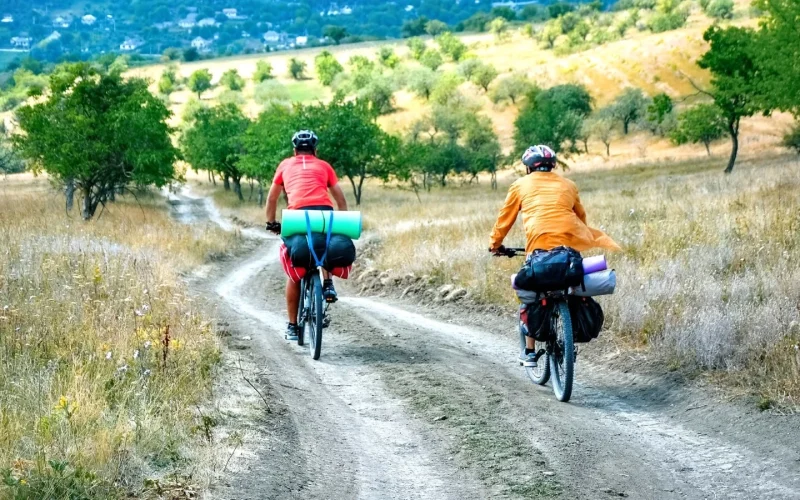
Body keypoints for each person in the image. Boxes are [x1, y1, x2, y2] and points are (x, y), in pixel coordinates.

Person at [488, 145, 621, 367]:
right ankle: (570, 328)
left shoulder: (519, 185)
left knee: (530, 294)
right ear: (554, 165)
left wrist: (495, 245)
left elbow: (504, 220)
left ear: (529, 168)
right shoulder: (569, 185)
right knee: (572, 286)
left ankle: (529, 352)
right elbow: (581, 218)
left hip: (538, 253)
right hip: (568, 254)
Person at [265, 130, 348, 341]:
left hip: (297, 217)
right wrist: (342, 222)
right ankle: (328, 284)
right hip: (324, 213)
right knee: (325, 243)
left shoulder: (285, 165)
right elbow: (340, 198)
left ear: (294, 150)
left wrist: (271, 223)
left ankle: (292, 326)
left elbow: (272, 198)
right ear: (315, 150)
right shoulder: (324, 165)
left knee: (295, 270)